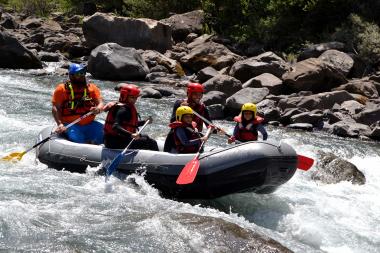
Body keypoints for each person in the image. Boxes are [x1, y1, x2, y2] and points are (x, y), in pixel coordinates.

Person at [52, 63, 104, 144]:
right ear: (71, 76)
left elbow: (100, 104)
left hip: (90, 124)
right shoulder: (61, 89)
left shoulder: (92, 88)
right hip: (70, 125)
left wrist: (98, 109)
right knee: (79, 140)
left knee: (105, 134)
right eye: (78, 74)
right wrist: (60, 124)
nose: (82, 76)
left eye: (83, 73)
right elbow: (55, 108)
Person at [103, 83, 158, 151]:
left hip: (118, 140)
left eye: (136, 97)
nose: (134, 100)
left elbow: (129, 124)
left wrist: (144, 122)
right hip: (114, 142)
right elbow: (115, 127)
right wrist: (131, 134)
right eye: (132, 97)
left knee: (145, 136)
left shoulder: (126, 107)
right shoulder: (122, 109)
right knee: (151, 142)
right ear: (125, 96)